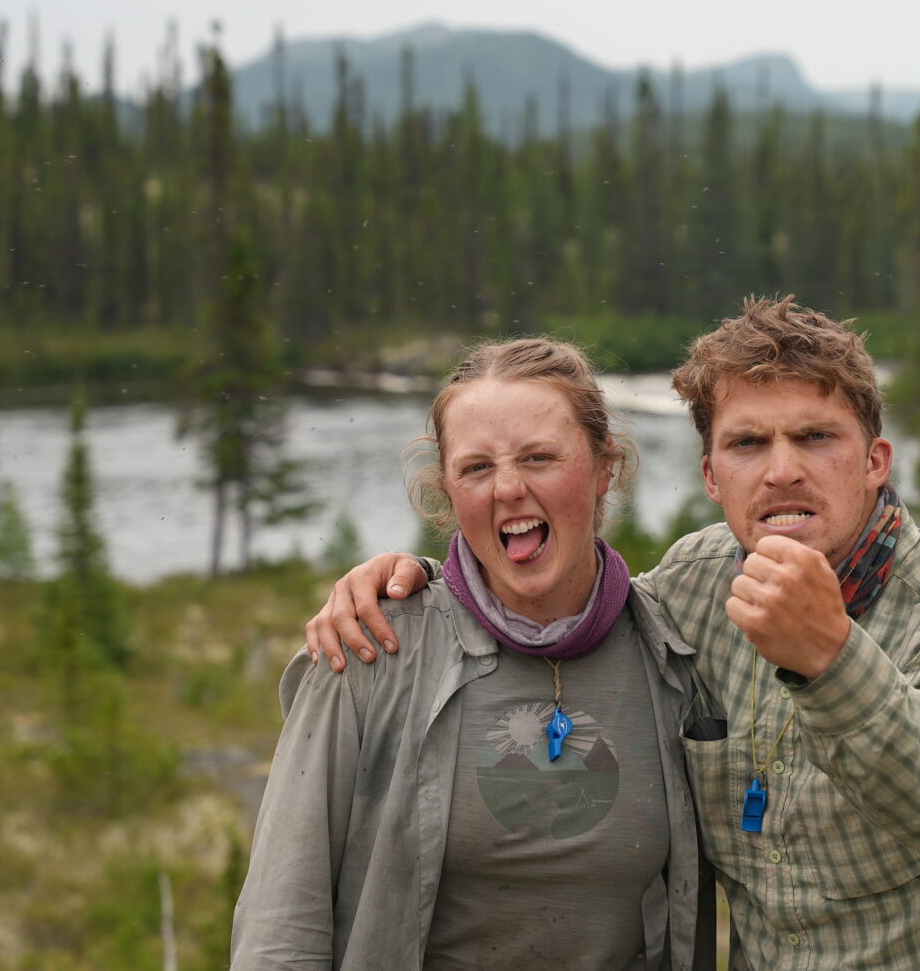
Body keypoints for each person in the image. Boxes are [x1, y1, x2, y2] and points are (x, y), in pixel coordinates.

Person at [311, 297, 920, 969]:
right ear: (712, 477)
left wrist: (833, 659)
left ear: (876, 460)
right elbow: (562, 611)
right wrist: (425, 581)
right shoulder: (696, 583)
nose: (781, 471)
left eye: (815, 437)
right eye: (748, 444)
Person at [232, 338, 709, 970]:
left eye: (539, 457)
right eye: (476, 468)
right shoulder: (369, 647)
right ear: (448, 492)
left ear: (605, 468)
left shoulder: (674, 654)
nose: (508, 488)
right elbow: (279, 927)